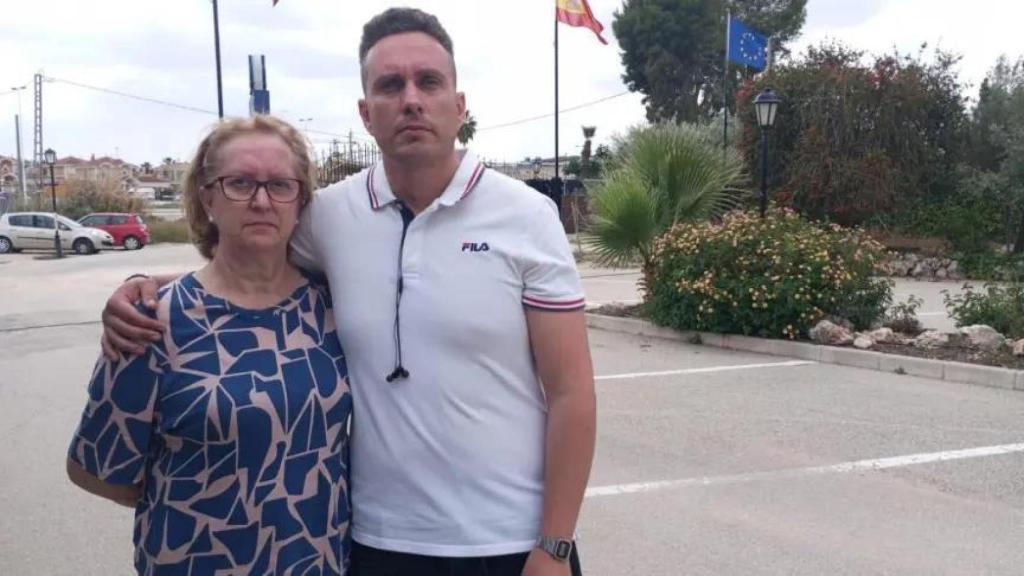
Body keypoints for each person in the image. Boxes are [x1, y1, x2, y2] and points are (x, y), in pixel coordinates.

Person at [101, 7, 596, 576]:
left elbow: (571, 393)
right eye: (391, 84)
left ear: (458, 105)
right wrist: (145, 288)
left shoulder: (528, 217)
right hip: (375, 541)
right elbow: (248, 270)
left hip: (510, 541)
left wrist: (554, 545)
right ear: (366, 113)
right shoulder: (330, 217)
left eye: (428, 81)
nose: (411, 99)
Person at [69, 116, 352, 575]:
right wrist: (210, 500)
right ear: (207, 196)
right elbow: (98, 470)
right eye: (239, 183)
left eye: (280, 184)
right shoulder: (152, 319)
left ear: (300, 199)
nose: (261, 200)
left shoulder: (330, 306)